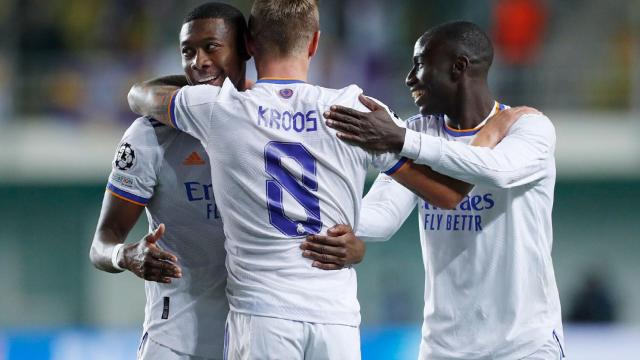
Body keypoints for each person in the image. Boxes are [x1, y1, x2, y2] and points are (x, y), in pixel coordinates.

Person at [126, 1, 527, 358]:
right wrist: (487, 134)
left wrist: (228, 90)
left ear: (249, 44)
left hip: (262, 314)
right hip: (333, 317)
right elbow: (447, 195)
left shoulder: (219, 109)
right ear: (315, 43)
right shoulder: (354, 109)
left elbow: (141, 96)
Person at [91, 3, 365, 359]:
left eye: (211, 47)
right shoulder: (150, 135)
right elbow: (101, 243)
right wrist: (125, 255)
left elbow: (325, 210)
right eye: (187, 51)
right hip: (174, 343)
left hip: (261, 332)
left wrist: (358, 247)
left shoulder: (271, 121)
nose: (198, 61)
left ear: (247, 48)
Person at [322, 21, 565, 359]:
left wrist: (401, 140)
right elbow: (382, 217)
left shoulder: (528, 127)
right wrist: (317, 214)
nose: (408, 78)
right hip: (444, 349)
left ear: (458, 67)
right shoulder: (420, 132)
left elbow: (497, 171)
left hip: (523, 345)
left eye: (419, 64)